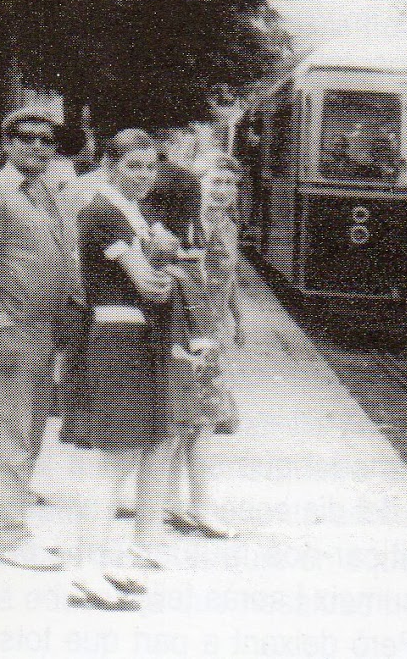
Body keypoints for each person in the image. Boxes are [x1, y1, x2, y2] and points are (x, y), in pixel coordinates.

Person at [0, 106, 83, 569]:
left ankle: (3, 526)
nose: (37, 147)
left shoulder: (49, 193)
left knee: (30, 427)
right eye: (26, 139)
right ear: (7, 144)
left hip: (44, 326)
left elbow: (65, 255)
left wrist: (72, 306)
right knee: (7, 427)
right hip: (8, 325)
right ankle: (10, 535)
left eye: (46, 141)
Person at [59, 129, 180, 610]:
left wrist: (162, 271)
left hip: (135, 341)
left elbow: (158, 274)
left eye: (151, 168)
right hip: (114, 339)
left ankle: (101, 559)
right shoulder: (102, 213)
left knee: (125, 454)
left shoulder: (134, 214)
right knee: (107, 456)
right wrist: (166, 272)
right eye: (134, 167)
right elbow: (151, 284)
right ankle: (85, 570)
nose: (145, 177)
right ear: (109, 166)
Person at [160, 152, 245, 540]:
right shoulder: (195, 225)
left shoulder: (224, 224)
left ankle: (176, 502)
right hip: (196, 331)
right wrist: (202, 332)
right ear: (200, 183)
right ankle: (197, 506)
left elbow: (225, 279)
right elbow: (191, 278)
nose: (224, 191)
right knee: (198, 420)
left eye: (230, 184)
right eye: (216, 182)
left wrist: (234, 318)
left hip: (213, 327)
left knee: (193, 422)